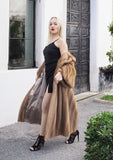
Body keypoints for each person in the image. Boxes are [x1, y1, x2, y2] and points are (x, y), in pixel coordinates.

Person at [18, 17, 79, 151]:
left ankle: (41, 139)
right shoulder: (49, 42)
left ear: (59, 27)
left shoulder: (61, 42)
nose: (52, 26)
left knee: (52, 108)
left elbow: (67, 60)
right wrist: (40, 74)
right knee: (49, 108)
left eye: (55, 24)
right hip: (48, 78)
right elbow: (48, 61)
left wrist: (61, 73)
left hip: (56, 80)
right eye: (51, 24)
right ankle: (71, 132)